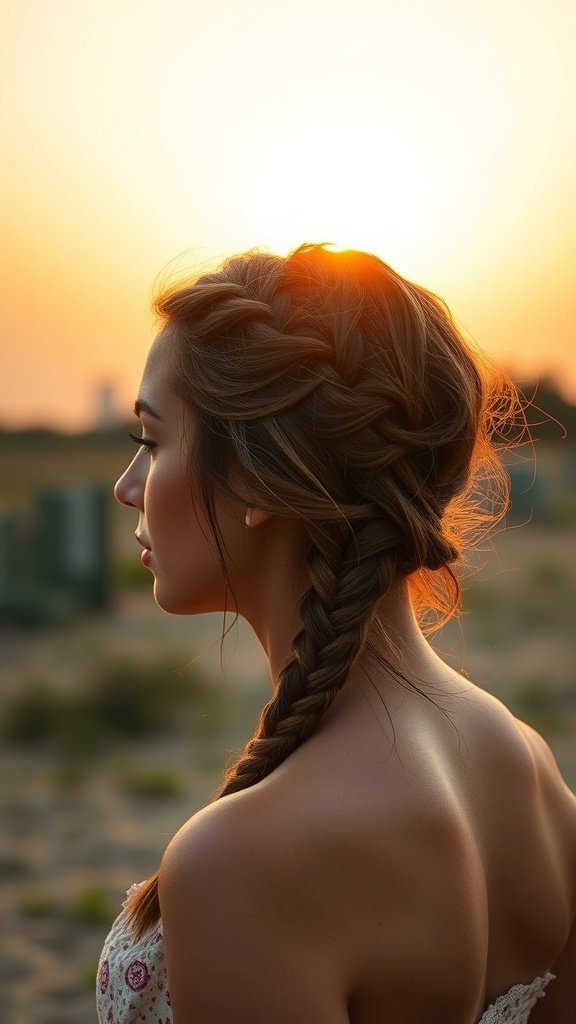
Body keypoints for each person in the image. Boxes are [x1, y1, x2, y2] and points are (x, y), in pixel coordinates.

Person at [99, 243, 576, 1024]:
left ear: (255, 475)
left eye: (151, 442)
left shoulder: (242, 865)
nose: (127, 489)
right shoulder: (528, 768)